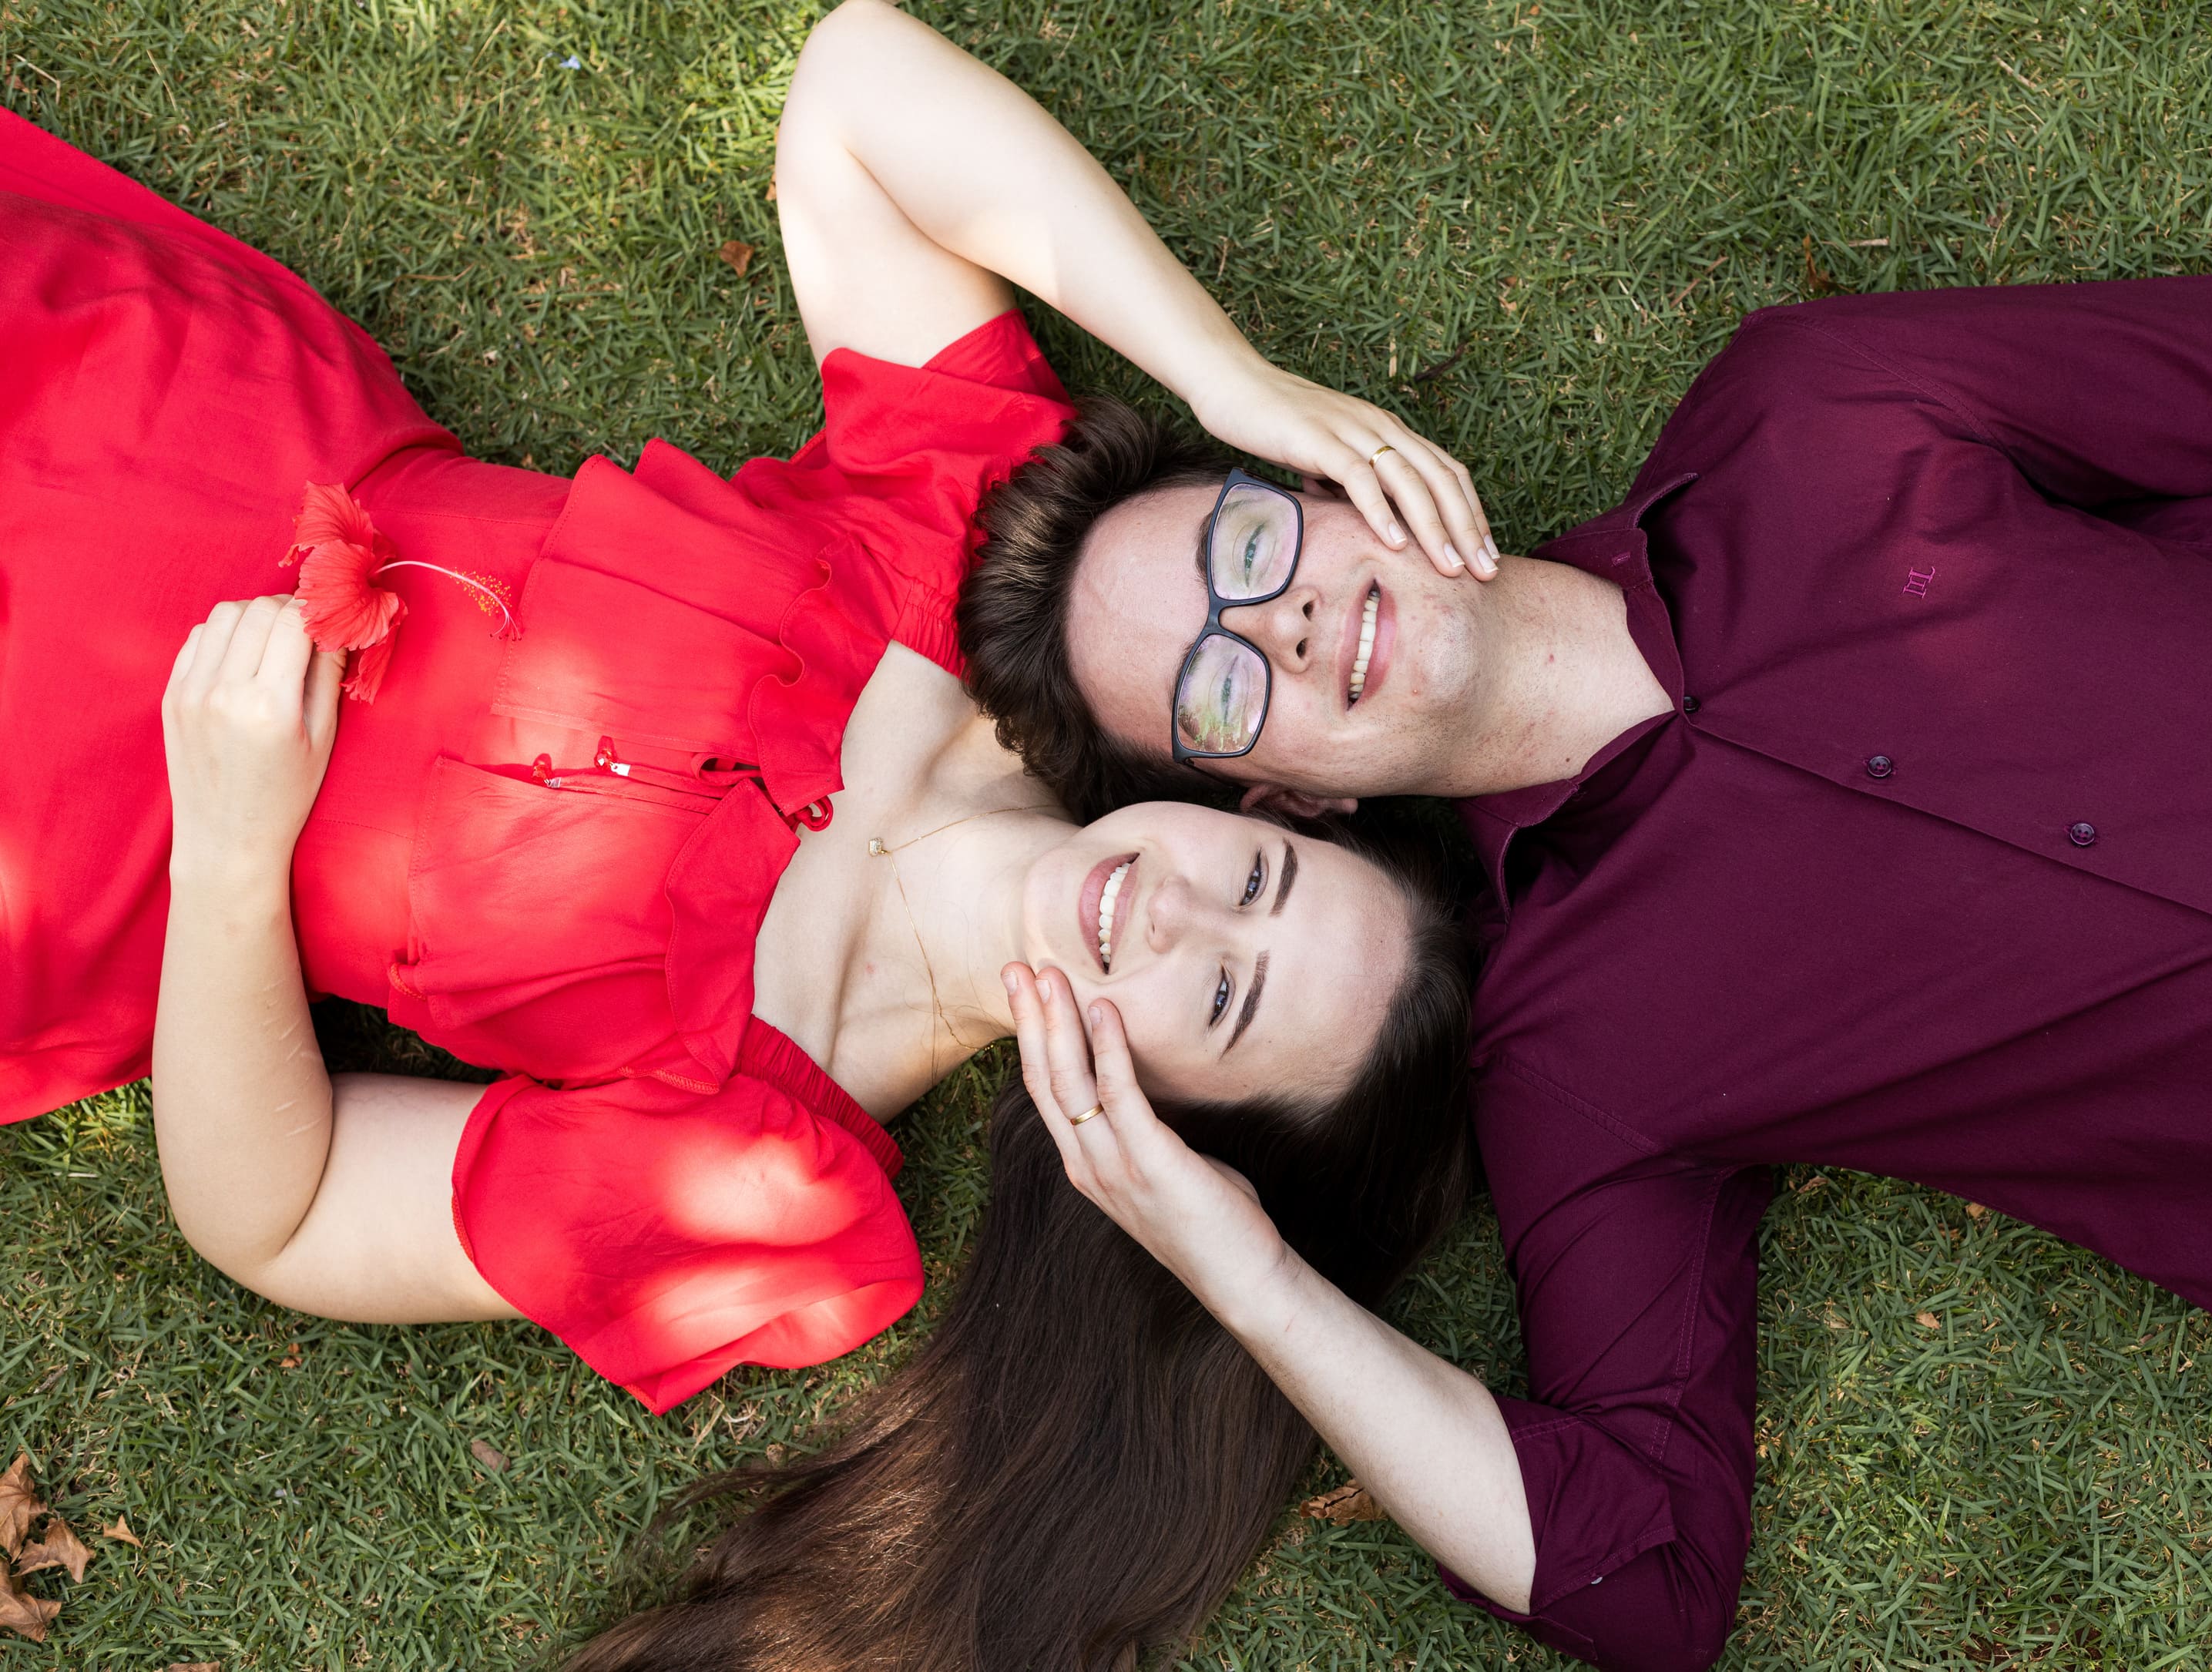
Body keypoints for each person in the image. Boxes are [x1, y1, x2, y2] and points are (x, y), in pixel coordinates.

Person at [962, 257, 2212, 1666]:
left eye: (1246, 548)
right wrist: (1249, 1277)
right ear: (1285, 799)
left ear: (1327, 479)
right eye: (1216, 691)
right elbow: (1642, 1573)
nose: (1280, 627)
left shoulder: (1815, 410)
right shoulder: (1574, 1062)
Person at [0, 0, 1492, 1418]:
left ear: (1164, 1121)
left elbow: (284, 1211)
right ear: (1260, 809)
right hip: (145, 413)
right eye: (1258, 879)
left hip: (71, 831)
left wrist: (229, 854)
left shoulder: (762, 1181)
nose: (1178, 912)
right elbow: (855, 87)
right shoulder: (975, 577)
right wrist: (1230, 379)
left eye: (1224, 998)